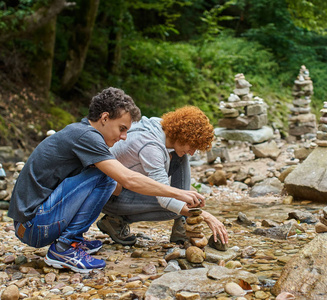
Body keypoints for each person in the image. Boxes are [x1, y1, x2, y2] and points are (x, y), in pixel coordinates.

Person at [8, 88, 204, 273]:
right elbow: (127, 179)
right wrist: (179, 193)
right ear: (104, 118)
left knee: (107, 178)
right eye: (121, 128)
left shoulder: (82, 132)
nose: (124, 136)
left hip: (33, 224)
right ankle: (63, 248)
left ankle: (73, 240)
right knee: (107, 176)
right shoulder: (87, 137)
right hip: (34, 226)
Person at [98, 106, 229, 246]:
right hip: (108, 197)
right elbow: (166, 200)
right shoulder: (150, 146)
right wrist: (205, 216)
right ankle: (115, 221)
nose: (192, 153)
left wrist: (187, 203)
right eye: (192, 146)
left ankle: (182, 224)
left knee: (180, 158)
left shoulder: (160, 127)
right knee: (175, 209)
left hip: (128, 185)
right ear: (183, 134)